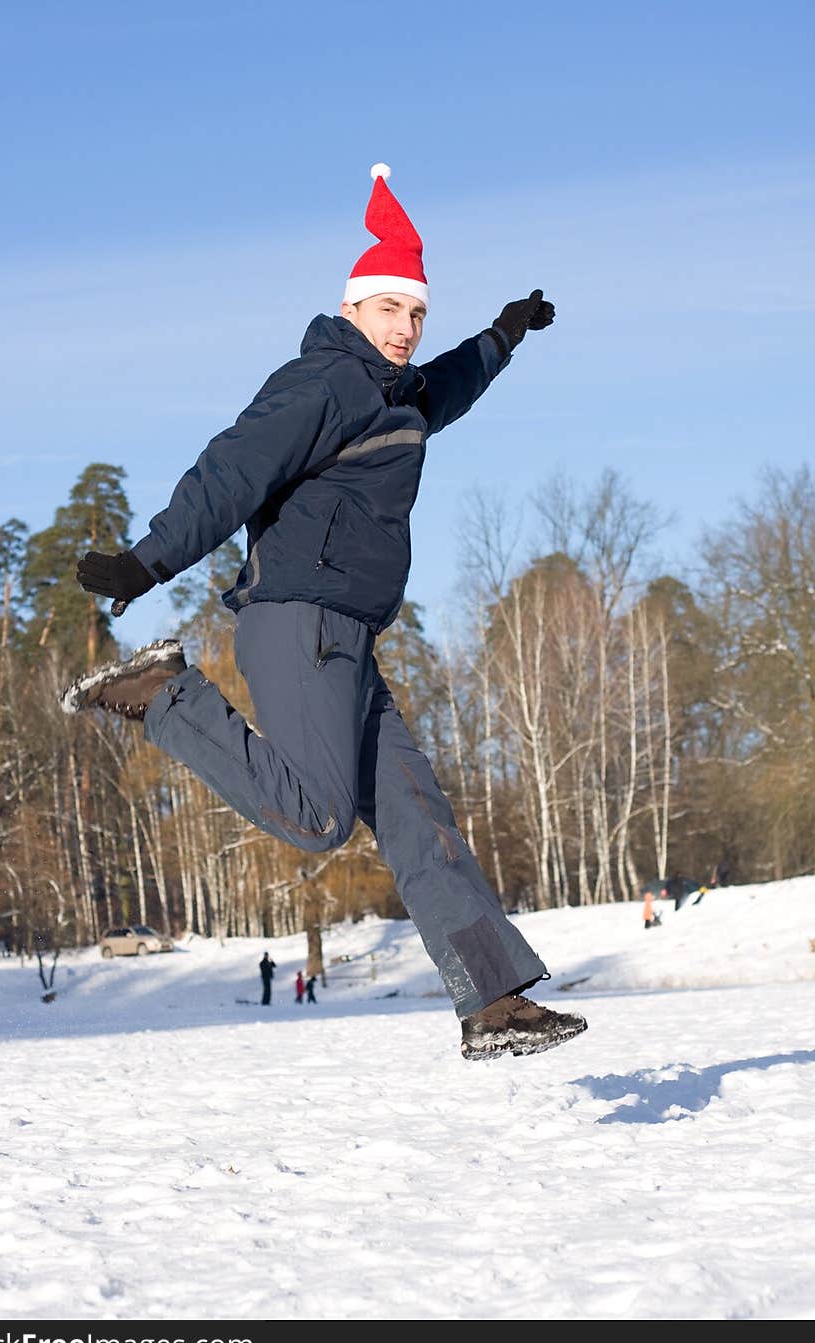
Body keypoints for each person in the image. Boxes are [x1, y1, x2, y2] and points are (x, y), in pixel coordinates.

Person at [62, 164, 587, 1062]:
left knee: (420, 818)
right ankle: (162, 697)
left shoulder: (398, 394)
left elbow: (449, 386)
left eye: (417, 314)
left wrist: (503, 336)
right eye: (392, 311)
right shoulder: (322, 384)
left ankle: (493, 998)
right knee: (316, 819)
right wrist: (150, 560)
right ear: (355, 308)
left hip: (348, 637)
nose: (408, 328)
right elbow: (233, 468)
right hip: (296, 618)